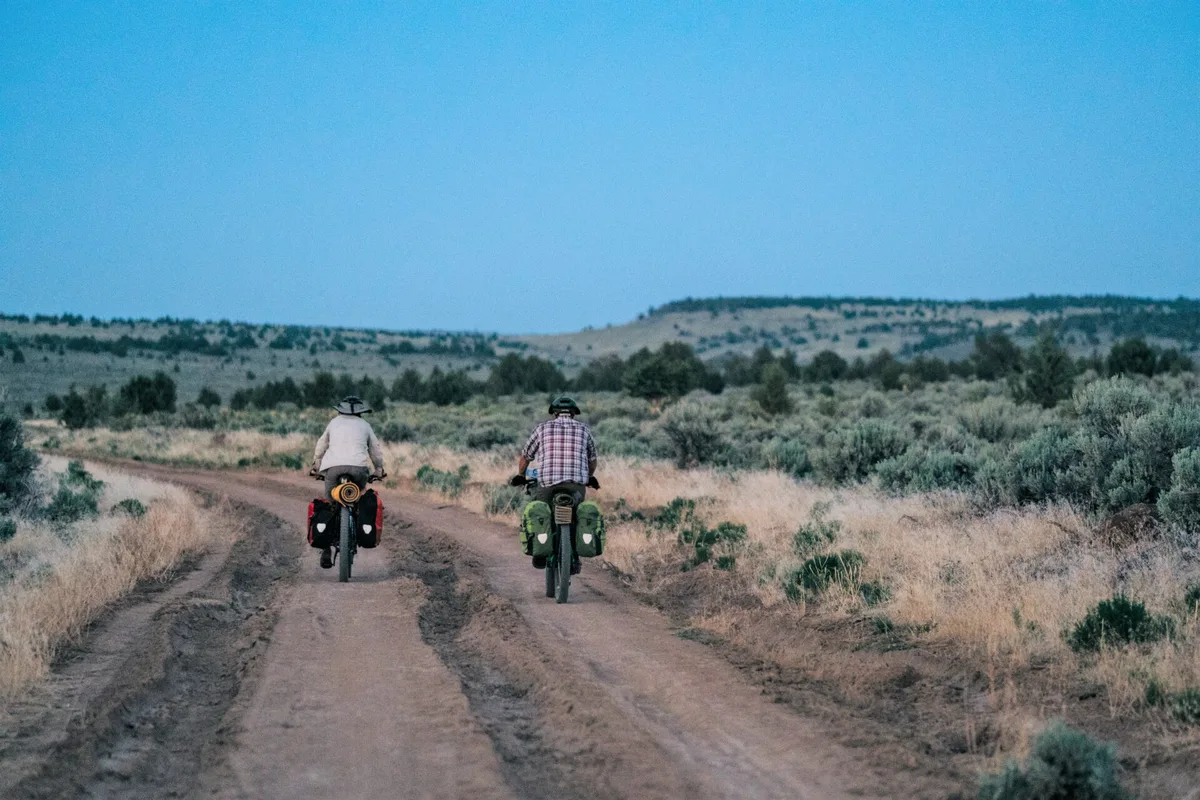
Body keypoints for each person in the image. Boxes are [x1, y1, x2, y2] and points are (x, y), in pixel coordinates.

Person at [513, 395, 599, 573]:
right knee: (576, 513)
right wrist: (588, 477)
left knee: (540, 510)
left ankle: (540, 551)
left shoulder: (542, 428)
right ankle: (574, 557)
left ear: (554, 413)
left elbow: (525, 457)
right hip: (576, 484)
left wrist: (521, 475)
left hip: (548, 483)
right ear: (574, 414)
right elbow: (592, 460)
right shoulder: (584, 430)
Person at [311, 395, 386, 569]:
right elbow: (375, 450)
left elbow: (321, 444)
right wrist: (379, 470)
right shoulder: (365, 426)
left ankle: (326, 549)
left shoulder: (333, 423)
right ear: (361, 412)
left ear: (340, 410)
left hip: (333, 468)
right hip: (358, 469)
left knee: (330, 503)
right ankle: (355, 525)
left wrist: (316, 465)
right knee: (358, 498)